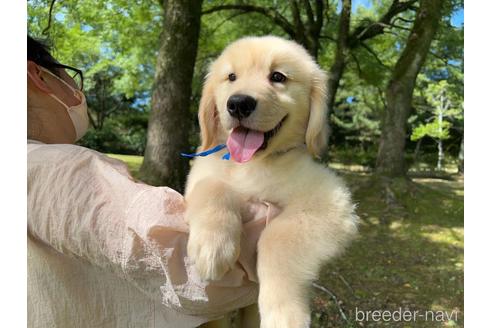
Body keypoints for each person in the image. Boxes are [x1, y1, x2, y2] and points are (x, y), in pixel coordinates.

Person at [27, 35, 277, 328]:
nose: (77, 89)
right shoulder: (56, 169)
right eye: (68, 76)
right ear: (38, 76)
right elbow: (202, 271)